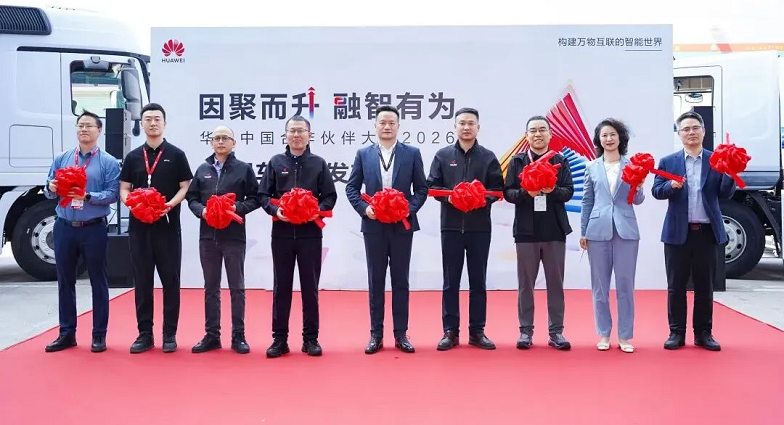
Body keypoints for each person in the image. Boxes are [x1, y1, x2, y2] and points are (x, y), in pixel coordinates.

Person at [346, 105, 428, 354]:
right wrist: (365, 209)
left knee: (401, 280)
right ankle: (376, 335)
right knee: (376, 280)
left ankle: (401, 334)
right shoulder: (364, 154)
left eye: (391, 122)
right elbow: (351, 188)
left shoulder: (412, 153)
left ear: (398, 126)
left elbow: (421, 189)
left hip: (402, 226)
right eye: (382, 122)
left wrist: (408, 209)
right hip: (374, 226)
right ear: (375, 126)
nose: (387, 126)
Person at [652, 110, 735, 352]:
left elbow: (725, 193)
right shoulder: (668, 161)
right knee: (676, 286)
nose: (691, 133)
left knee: (704, 286)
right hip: (677, 233)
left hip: (706, 232)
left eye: (695, 128)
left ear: (703, 131)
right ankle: (676, 332)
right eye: (686, 129)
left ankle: (703, 333)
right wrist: (670, 185)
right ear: (679, 134)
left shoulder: (715, 160)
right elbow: (657, 191)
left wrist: (730, 173)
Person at [258, 115, 337, 358]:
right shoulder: (275, 162)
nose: (296, 135)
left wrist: (315, 210)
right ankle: (279, 340)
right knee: (281, 287)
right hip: (281, 233)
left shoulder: (319, 163)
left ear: (309, 135)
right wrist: (276, 211)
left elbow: (330, 196)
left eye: (301, 131)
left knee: (310, 288)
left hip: (310, 234)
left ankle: (310, 339)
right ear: (286, 135)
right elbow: (263, 195)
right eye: (292, 131)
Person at [426, 107, 504, 351]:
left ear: (478, 127)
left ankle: (477, 331)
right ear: (455, 127)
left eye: (471, 123)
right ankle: (450, 331)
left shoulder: (488, 157)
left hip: (479, 228)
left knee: (478, 281)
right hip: (450, 227)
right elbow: (432, 186)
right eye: (462, 123)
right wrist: (451, 198)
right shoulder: (442, 156)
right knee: (451, 281)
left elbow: (497, 190)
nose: (466, 127)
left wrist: (479, 200)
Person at [43, 111, 120, 353]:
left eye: (89, 126)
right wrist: (51, 187)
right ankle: (67, 333)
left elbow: (113, 195)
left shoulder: (108, 162)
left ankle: (99, 335)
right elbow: (48, 189)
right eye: (80, 125)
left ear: (100, 131)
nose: (84, 129)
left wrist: (87, 196)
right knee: (65, 281)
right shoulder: (63, 158)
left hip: (93, 228)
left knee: (98, 281)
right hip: (64, 226)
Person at [119, 103, 193, 354]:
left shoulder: (177, 154)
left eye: (157, 119)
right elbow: (124, 188)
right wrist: (133, 204)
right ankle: (145, 334)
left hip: (167, 227)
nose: (152, 123)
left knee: (171, 280)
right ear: (141, 124)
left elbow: (185, 186)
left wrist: (170, 204)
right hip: (139, 229)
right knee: (142, 281)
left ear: (164, 123)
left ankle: (169, 333)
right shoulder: (133, 157)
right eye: (148, 119)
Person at [185, 126, 260, 354]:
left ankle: (238, 336)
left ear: (233, 143)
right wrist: (202, 211)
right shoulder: (203, 169)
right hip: (208, 237)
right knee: (211, 288)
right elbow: (191, 198)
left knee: (237, 287)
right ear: (211, 143)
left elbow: (256, 198)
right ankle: (212, 335)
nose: (220, 142)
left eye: (225, 138)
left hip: (233, 237)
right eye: (216, 138)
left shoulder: (244, 169)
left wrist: (237, 207)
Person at [503, 115, 574, 350]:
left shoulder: (560, 161)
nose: (538, 134)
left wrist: (552, 190)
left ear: (550, 134)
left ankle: (556, 332)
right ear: (526, 136)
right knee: (526, 285)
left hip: (554, 230)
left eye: (542, 130)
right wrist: (527, 193)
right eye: (533, 130)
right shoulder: (517, 161)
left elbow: (569, 192)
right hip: (526, 231)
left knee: (556, 284)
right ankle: (526, 332)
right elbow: (508, 193)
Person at [580, 118, 644, 353]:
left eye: (613, 134)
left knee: (625, 285)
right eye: (604, 135)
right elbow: (587, 201)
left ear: (620, 138)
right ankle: (604, 333)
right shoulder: (591, 167)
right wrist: (584, 231)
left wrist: (638, 185)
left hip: (626, 230)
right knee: (600, 286)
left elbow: (638, 200)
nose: (608, 139)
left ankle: (625, 336)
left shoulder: (632, 165)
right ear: (599, 140)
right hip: (597, 230)